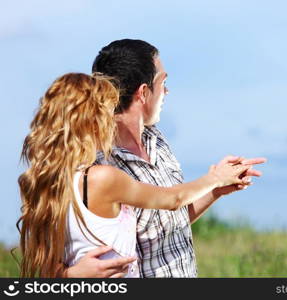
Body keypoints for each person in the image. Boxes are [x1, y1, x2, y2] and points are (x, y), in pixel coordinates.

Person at [17, 73, 252, 277]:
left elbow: (45, 265)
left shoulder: (46, 184)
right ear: (92, 121)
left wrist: (70, 274)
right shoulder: (102, 178)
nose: (112, 121)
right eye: (107, 113)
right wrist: (215, 178)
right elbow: (173, 200)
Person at [65, 39, 266, 278]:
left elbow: (167, 220)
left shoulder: (156, 140)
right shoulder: (97, 164)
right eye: (164, 82)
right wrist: (70, 276)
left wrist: (216, 190)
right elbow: (52, 257)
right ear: (143, 92)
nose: (167, 91)